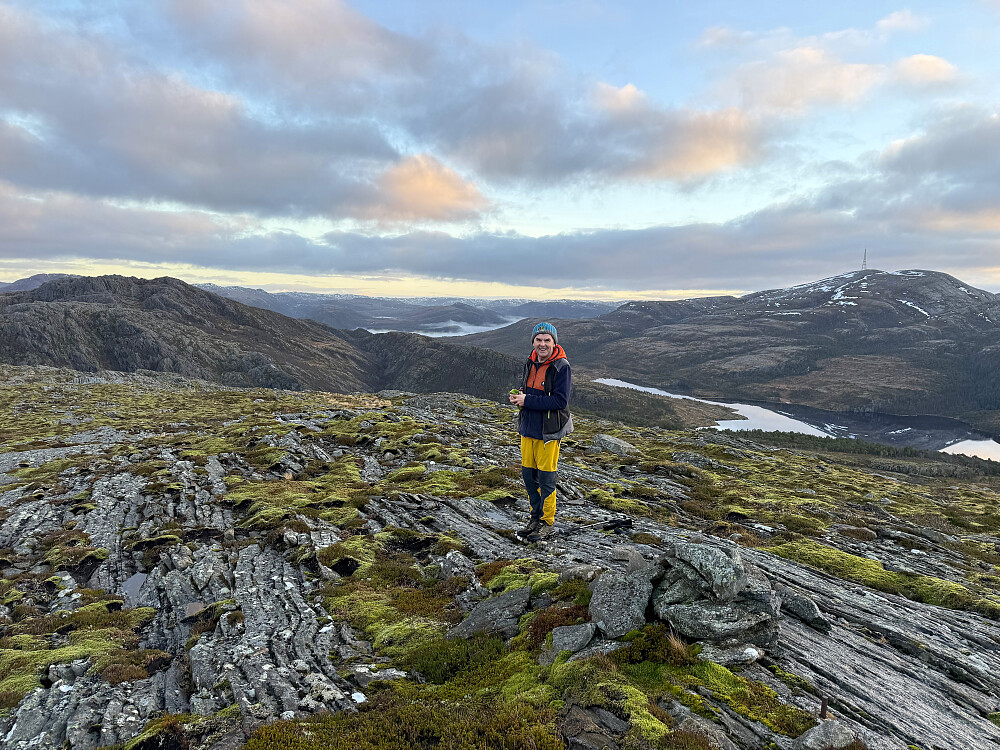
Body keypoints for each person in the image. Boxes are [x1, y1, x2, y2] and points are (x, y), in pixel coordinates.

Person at [508, 322, 573, 541]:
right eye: (538, 340)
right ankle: (534, 519)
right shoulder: (531, 361)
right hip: (528, 428)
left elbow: (560, 401)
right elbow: (529, 390)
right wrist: (520, 396)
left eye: (547, 340)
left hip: (548, 432)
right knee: (529, 477)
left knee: (546, 478)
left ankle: (547, 522)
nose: (542, 344)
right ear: (533, 342)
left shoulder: (561, 366)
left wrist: (527, 400)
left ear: (554, 343)